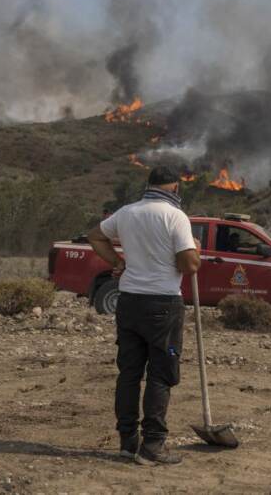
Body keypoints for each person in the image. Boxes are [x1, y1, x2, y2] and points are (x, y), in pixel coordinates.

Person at [87, 165, 201, 465]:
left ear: (149, 185)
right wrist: (195, 249)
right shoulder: (175, 216)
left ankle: (127, 442)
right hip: (163, 303)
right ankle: (152, 446)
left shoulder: (126, 212)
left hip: (129, 302)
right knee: (161, 375)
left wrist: (117, 262)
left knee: (129, 374)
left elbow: (95, 236)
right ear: (175, 187)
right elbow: (189, 265)